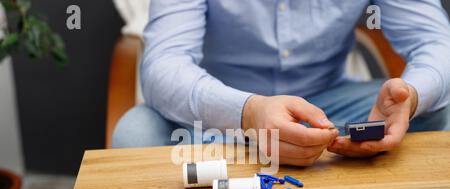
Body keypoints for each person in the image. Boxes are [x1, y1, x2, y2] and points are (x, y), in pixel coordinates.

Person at [113, 0, 450, 165]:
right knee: (136, 134)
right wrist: (247, 112)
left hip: (332, 112)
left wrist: (413, 95)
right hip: (221, 117)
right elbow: (163, 64)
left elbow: (436, 43)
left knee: (435, 111)